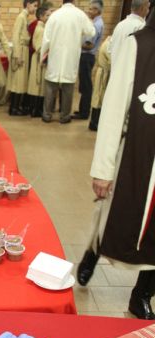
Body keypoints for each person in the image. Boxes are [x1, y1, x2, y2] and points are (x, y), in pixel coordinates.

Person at [77, 10, 155, 319]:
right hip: (138, 153)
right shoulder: (139, 45)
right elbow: (113, 109)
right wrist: (103, 169)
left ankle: (142, 294)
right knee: (116, 215)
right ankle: (93, 251)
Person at [40, 0, 95, 124]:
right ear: (74, 1)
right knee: (68, 89)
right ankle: (64, 116)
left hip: (55, 56)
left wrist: (42, 57)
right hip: (71, 57)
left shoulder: (54, 15)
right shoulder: (80, 15)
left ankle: (47, 115)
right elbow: (91, 32)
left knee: (50, 87)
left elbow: (46, 39)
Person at [73, 0, 103, 121]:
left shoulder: (96, 25)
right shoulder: (96, 22)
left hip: (87, 57)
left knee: (86, 85)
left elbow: (89, 45)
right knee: (84, 84)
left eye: (91, 9)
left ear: (97, 10)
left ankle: (84, 112)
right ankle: (82, 110)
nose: (88, 11)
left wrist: (75, 43)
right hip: (87, 57)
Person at [7, 1, 38, 116]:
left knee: (20, 81)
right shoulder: (21, 17)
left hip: (24, 49)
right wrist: (17, 54)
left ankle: (16, 106)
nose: (35, 8)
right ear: (28, 4)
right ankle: (13, 108)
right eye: (34, 5)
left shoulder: (25, 17)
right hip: (20, 50)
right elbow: (15, 36)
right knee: (17, 80)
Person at [27, 3, 52, 118]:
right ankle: (35, 110)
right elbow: (39, 46)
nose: (49, 17)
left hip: (40, 58)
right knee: (37, 84)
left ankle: (36, 109)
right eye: (47, 15)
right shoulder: (40, 29)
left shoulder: (42, 27)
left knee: (38, 85)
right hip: (39, 59)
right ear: (41, 16)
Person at [88, 34, 110, 131]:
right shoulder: (109, 44)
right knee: (98, 99)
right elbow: (112, 60)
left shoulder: (108, 42)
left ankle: (95, 122)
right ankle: (94, 122)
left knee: (99, 98)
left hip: (103, 73)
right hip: (103, 74)